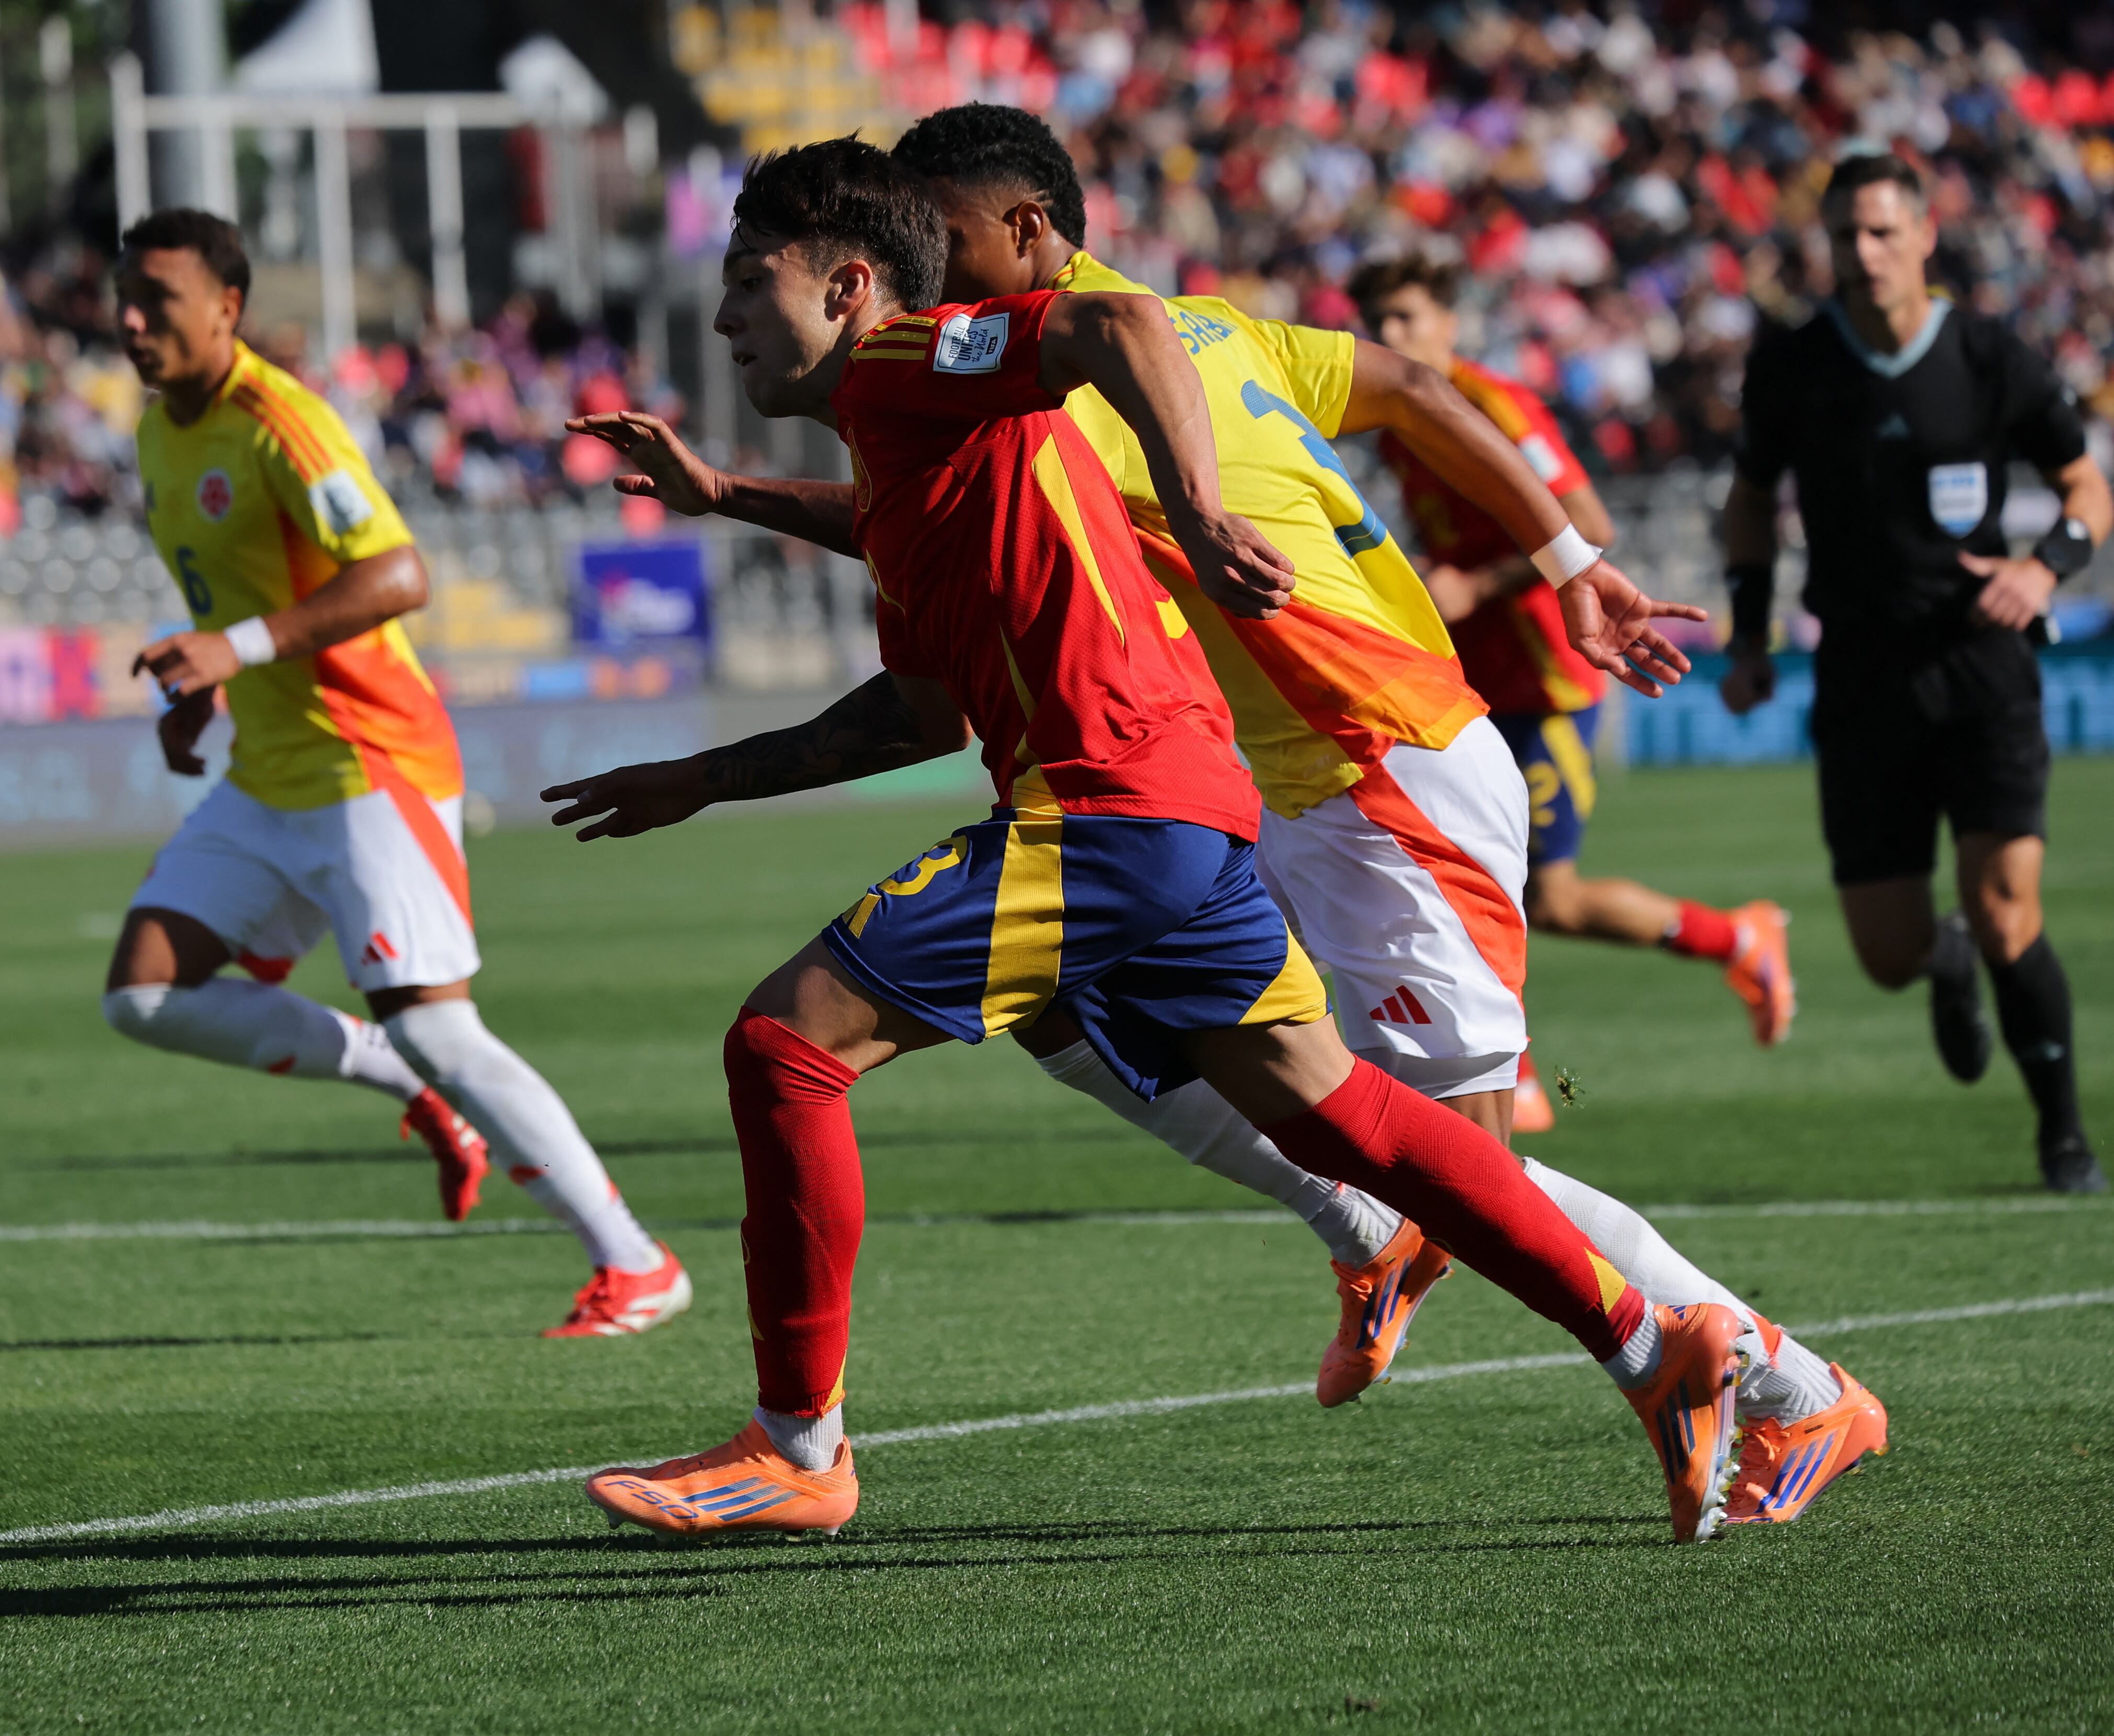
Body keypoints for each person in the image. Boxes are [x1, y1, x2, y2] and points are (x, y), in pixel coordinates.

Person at [574, 107, 1882, 1529]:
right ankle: (1564, 1307)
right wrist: (1572, 554)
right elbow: (1393, 390)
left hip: (1356, 763)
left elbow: (1109, 344)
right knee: (1192, 1060)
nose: (926, 264)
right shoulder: (1182, 342)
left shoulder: (1023, 350)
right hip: (1242, 789)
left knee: (794, 1042)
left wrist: (1204, 518)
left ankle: (1778, 1375)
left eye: (937, 234)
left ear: (1018, 235)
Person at [97, 208, 692, 1335]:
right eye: (123, 299)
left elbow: (400, 572)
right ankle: (399, 1078)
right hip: (269, 770)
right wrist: (208, 684)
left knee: (445, 1026)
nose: (131, 321)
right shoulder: (159, 430)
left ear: (225, 308)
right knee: (143, 992)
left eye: (157, 300)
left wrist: (236, 649)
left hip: (373, 759)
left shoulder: (285, 423)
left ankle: (637, 1259)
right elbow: (236, 596)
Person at [1721, 153, 2110, 1197]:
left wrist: (2044, 564)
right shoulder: (1795, 364)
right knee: (1888, 952)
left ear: (1924, 235)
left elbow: (2085, 484)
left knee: (2007, 907)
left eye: (1882, 232)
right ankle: (1941, 965)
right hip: (1858, 676)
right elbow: (1750, 499)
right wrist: (1750, 636)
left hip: (1981, 663)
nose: (1861, 252)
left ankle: (2063, 1134)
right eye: (1844, 234)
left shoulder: (1989, 353)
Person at [1349, 254, 1796, 1129]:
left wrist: (1478, 587)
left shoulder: (1497, 406)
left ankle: (1734, 941)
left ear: (1448, 321)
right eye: (1378, 325)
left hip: (1547, 678)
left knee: (1536, 893)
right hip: (1465, 682)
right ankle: (1511, 1067)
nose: (1391, 339)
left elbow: (1589, 527)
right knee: (1461, 870)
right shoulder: (1395, 418)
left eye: (1406, 319)